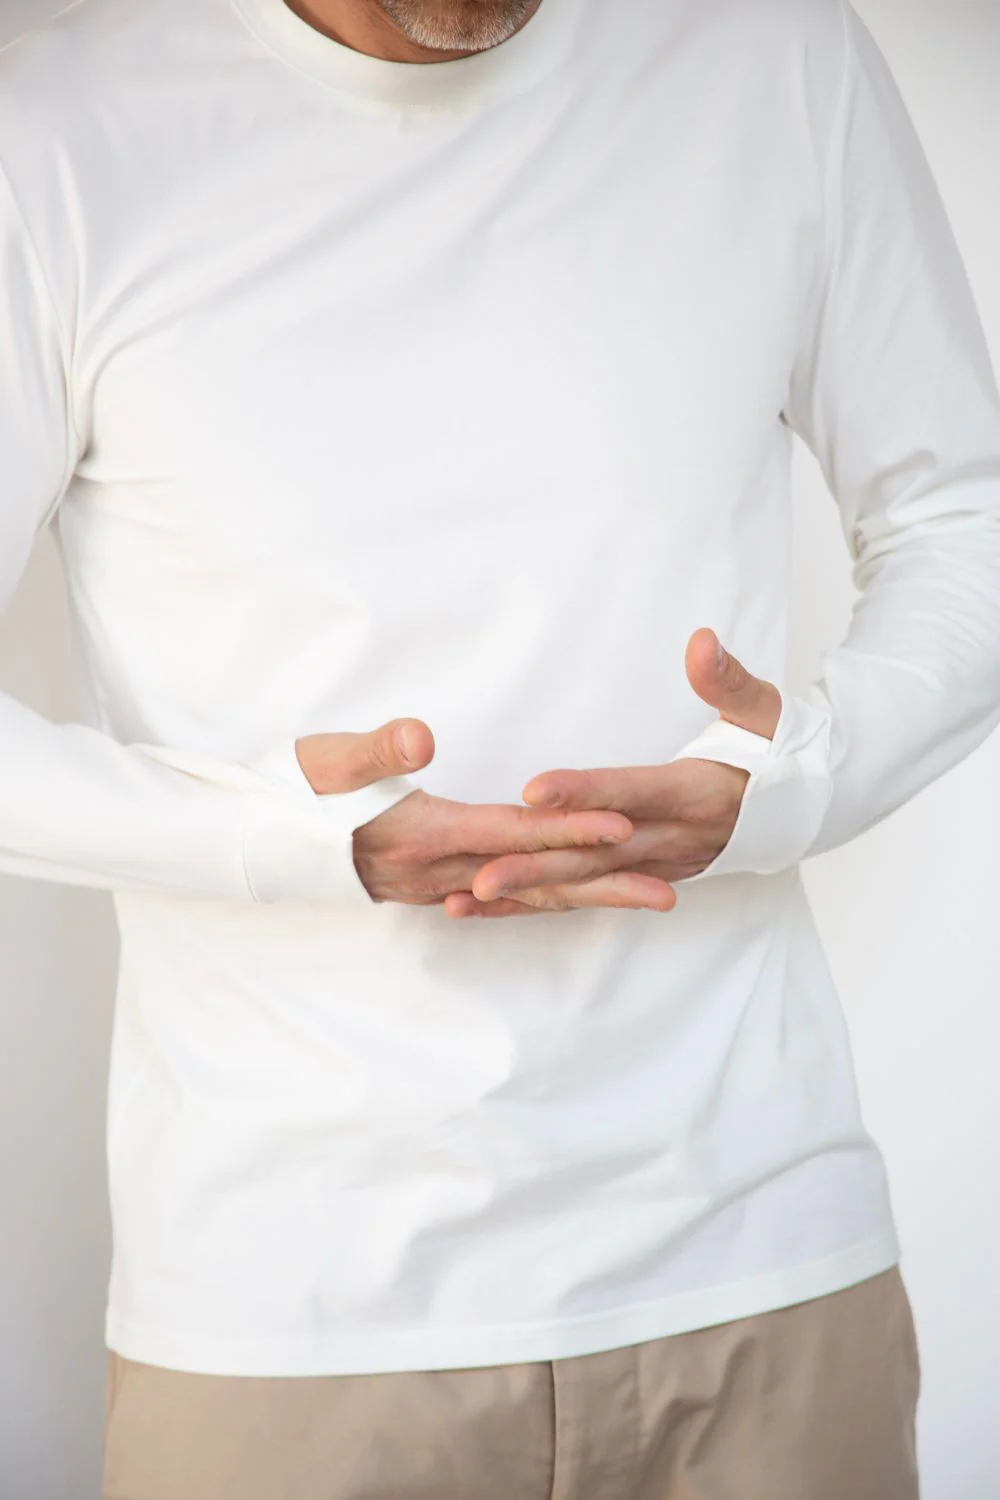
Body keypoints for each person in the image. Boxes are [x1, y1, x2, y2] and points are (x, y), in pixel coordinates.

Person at [2, 0, 998, 1494]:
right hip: (290, 1327)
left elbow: (963, 516)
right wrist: (287, 841)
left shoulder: (775, 52)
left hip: (763, 1273)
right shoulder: (53, 127)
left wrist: (797, 783)